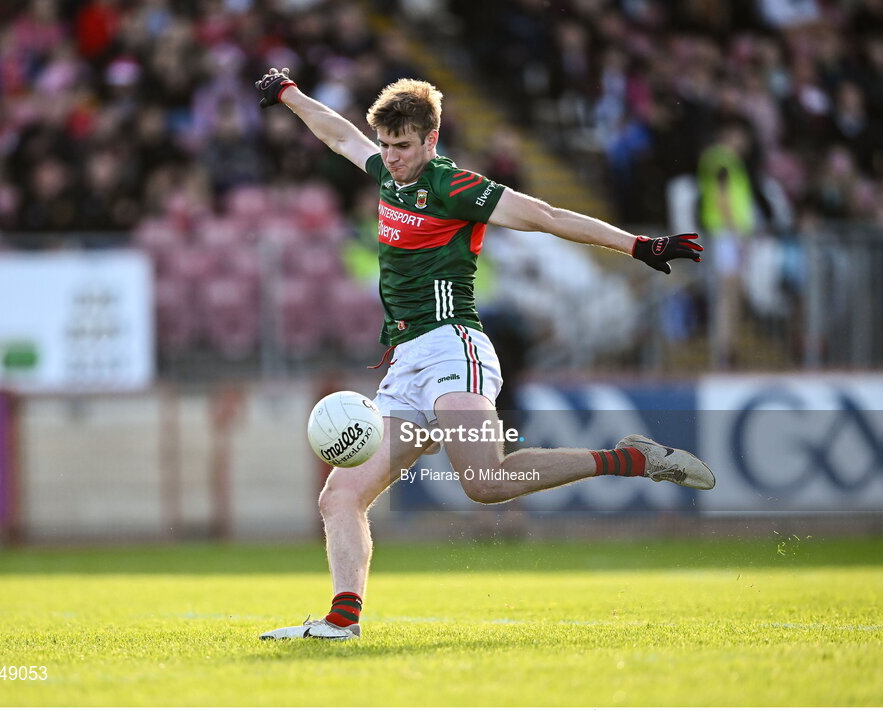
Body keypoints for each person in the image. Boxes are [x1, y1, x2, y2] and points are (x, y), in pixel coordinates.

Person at [255, 69, 713, 641]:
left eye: (403, 147)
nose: (391, 157)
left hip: (454, 347)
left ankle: (630, 459)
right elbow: (338, 134)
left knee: (484, 480)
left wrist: (637, 244)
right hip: (406, 364)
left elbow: (545, 216)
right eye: (388, 146)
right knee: (340, 495)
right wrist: (290, 95)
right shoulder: (387, 175)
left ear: (430, 140)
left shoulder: (455, 187)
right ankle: (341, 621)